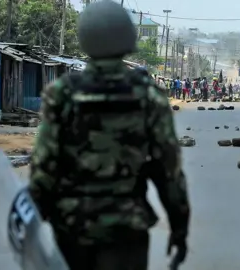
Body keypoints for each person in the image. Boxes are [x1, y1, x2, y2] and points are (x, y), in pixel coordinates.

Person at [28, 1, 191, 269]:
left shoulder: (62, 93)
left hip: (72, 228)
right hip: (126, 229)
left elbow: (44, 165)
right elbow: (168, 170)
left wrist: (36, 219)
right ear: (128, 38)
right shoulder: (149, 96)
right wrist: (179, 227)